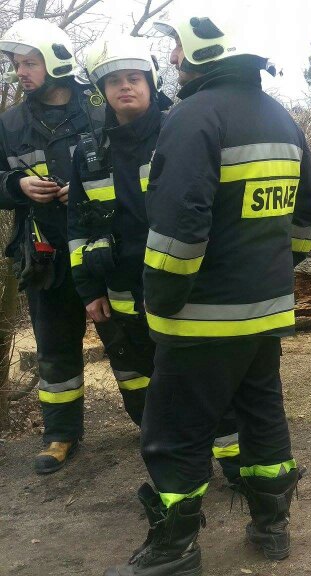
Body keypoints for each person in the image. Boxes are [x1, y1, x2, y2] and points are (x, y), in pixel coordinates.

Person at [103, 13, 311, 576]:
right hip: (265, 312)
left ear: (203, 54)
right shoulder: (280, 116)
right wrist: (274, 269)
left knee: (175, 431)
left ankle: (174, 549)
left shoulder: (193, 117)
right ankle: (271, 527)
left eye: (177, 49)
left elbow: (180, 227)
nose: (172, 59)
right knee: (262, 416)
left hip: (199, 318)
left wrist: (162, 300)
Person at [69, 36, 242, 484]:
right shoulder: (88, 152)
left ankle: (236, 464)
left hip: (182, 285)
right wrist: (89, 291)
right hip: (121, 291)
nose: (125, 87)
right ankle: (176, 473)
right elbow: (77, 226)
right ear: (102, 91)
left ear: (150, 81)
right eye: (114, 81)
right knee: (142, 384)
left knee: (202, 378)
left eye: (134, 78)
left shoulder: (179, 131)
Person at [0, 18, 106, 474]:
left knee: (128, 342)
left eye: (30, 63)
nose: (20, 72)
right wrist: (16, 185)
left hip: (104, 246)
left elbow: (138, 165)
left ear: (56, 61)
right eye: (16, 64)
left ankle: (153, 426)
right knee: (55, 347)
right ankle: (61, 435)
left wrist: (85, 191)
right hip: (46, 255)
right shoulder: (10, 123)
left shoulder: (99, 107)